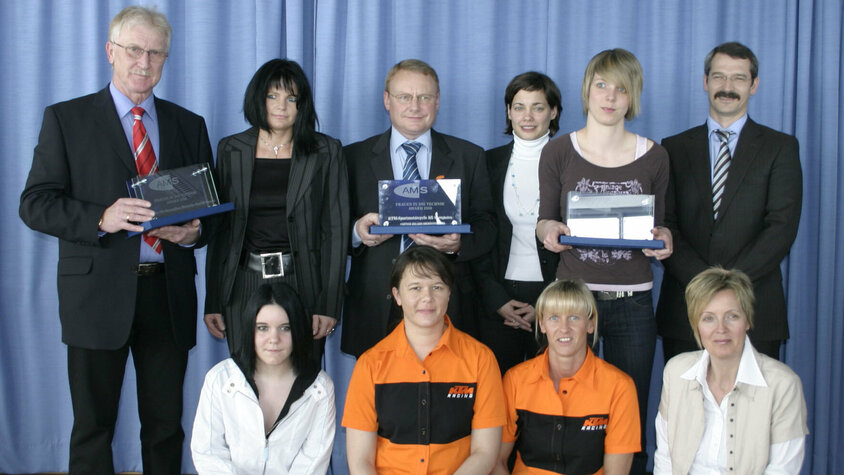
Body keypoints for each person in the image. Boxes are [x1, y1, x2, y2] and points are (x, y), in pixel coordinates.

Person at [18, 6, 212, 473]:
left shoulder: (189, 124)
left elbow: (211, 213)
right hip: (95, 296)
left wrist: (193, 232)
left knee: (166, 424)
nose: (143, 62)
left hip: (167, 295)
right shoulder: (66, 119)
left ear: (166, 59)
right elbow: (35, 203)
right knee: (93, 427)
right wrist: (100, 218)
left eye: (155, 53)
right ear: (110, 52)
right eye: (133, 50)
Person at [535, 48, 673, 474]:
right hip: (573, 303)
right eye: (602, 85)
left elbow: (661, 228)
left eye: (622, 89)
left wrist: (664, 239)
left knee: (628, 408)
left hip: (633, 301)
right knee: (568, 406)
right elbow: (545, 220)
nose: (610, 97)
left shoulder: (655, 155)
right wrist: (548, 232)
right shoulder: (559, 151)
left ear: (633, 97)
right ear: (586, 91)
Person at [657, 42, 803, 362]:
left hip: (755, 308)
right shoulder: (673, 148)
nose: (727, 87)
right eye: (719, 77)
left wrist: (728, 286)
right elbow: (665, 225)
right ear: (705, 82)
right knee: (686, 410)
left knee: (756, 410)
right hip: (686, 310)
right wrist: (705, 286)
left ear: (754, 85)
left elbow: (781, 227)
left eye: (738, 78)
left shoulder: (780, 147)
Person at [342, 58, 495, 357]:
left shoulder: (469, 156)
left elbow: (487, 225)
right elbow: (332, 227)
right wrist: (357, 232)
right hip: (377, 305)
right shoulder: (352, 158)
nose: (415, 106)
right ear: (387, 100)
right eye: (405, 97)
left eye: (424, 97)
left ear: (437, 102)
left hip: (445, 306)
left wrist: (458, 244)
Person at [203, 59, 348, 361]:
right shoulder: (230, 150)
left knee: (300, 384)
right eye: (272, 96)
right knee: (247, 385)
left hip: (303, 284)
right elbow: (221, 231)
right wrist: (214, 300)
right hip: (244, 283)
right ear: (257, 98)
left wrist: (328, 304)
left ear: (302, 105)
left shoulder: (326, 151)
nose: (281, 106)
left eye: (291, 98)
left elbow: (335, 230)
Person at [343, 246, 505, 474]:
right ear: (397, 296)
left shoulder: (481, 359)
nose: (427, 298)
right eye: (415, 288)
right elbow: (360, 461)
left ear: (449, 293)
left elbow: (485, 453)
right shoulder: (370, 364)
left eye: (437, 287)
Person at [654, 267, 808, 474]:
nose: (720, 329)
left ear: (748, 320)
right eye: (708, 318)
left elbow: (783, 469)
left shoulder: (783, 385)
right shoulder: (676, 372)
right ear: (695, 324)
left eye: (732, 316)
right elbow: (665, 460)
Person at [495, 279, 640, 475]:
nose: (564, 328)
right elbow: (496, 462)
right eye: (554, 318)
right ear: (542, 324)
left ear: (591, 324)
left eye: (574, 318)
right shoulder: (515, 380)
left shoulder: (620, 387)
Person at [192, 283, 335, 474]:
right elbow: (208, 453)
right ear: (249, 329)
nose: (273, 338)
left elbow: (313, 461)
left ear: (298, 330)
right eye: (262, 328)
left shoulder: (321, 388)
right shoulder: (219, 380)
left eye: (285, 328)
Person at [474, 71, 561, 374]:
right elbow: (477, 238)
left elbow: (581, 243)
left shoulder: (573, 161)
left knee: (552, 398)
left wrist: (546, 301)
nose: (527, 116)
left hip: (555, 300)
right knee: (497, 401)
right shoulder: (485, 163)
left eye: (538, 107)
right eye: (519, 106)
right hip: (498, 299)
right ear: (508, 112)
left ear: (553, 112)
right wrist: (497, 299)